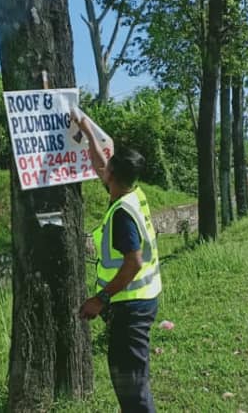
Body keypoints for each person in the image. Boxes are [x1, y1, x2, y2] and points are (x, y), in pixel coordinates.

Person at [75, 113, 162, 413]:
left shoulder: (122, 214)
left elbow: (133, 263)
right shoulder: (132, 193)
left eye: (108, 167)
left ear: (113, 174)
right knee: (132, 380)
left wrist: (100, 299)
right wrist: (86, 129)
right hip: (141, 302)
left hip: (131, 309)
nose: (104, 169)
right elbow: (100, 165)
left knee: (132, 387)